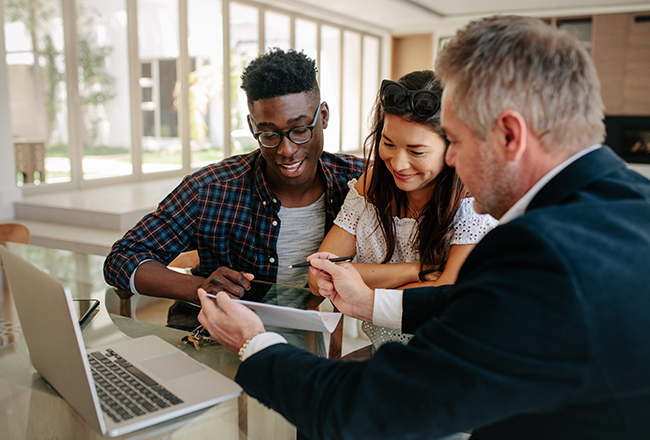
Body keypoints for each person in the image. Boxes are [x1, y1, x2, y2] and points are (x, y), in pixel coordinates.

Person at [197, 15, 650, 440]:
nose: (450, 159)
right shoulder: (629, 202)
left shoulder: (542, 251)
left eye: (453, 139)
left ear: (509, 135)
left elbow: (369, 411)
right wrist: (372, 303)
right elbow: (477, 302)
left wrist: (254, 342)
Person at [103, 48, 364, 303]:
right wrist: (199, 287)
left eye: (299, 130)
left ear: (324, 116)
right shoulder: (210, 190)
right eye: (269, 134)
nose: (287, 150)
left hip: (317, 341)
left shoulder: (360, 182)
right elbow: (122, 259)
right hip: (220, 340)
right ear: (252, 128)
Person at [308, 70, 497, 350]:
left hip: (454, 359)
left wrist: (361, 285)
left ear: (452, 147)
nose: (398, 164)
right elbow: (319, 277)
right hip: (384, 356)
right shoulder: (370, 185)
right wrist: (416, 271)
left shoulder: (472, 197)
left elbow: (445, 295)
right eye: (388, 144)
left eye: (417, 151)